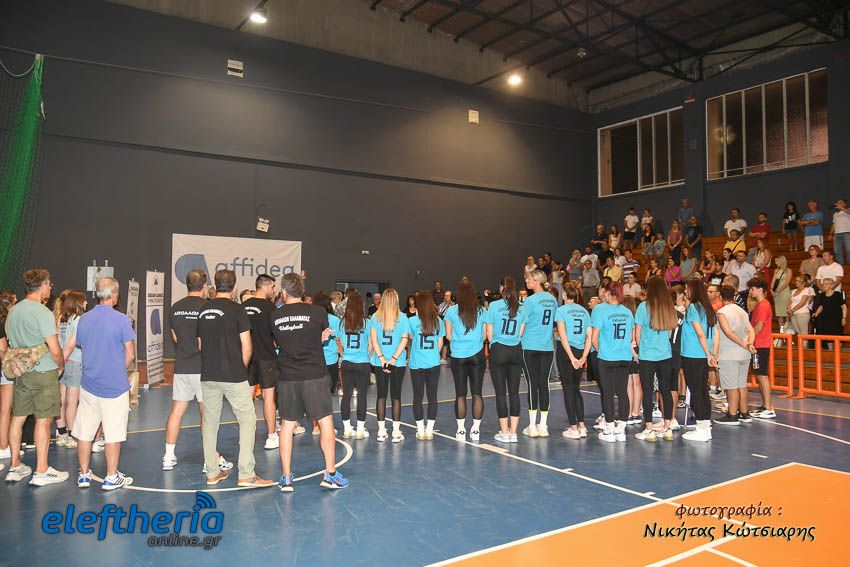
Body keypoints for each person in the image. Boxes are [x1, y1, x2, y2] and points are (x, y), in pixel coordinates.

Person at [272, 273, 348, 492]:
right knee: (325, 423)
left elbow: (278, 342)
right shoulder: (318, 312)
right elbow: (319, 336)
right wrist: (318, 338)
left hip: (288, 377)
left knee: (287, 426)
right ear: (302, 291)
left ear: (283, 292)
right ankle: (330, 474)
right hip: (315, 375)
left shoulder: (274, 316)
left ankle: (286, 478)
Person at [197, 269, 273, 488]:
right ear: (234, 286)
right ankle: (246, 474)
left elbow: (200, 344)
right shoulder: (238, 309)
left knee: (210, 423)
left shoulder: (203, 309)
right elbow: (247, 346)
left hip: (208, 374)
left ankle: (212, 473)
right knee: (247, 420)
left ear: (215, 285)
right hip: (233, 374)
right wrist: (240, 368)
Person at [164, 270, 233, 473]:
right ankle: (210, 459)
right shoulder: (207, 308)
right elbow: (207, 341)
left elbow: (175, 338)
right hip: (203, 368)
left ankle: (168, 456)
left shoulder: (175, 308)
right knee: (207, 414)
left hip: (182, 367)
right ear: (204, 287)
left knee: (177, 411)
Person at [4, 270, 67, 485]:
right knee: (43, 419)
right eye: (49, 284)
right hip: (43, 372)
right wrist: (60, 366)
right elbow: (54, 349)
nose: (50, 287)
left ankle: (15, 466)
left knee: (18, 417)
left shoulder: (14, 311)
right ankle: (42, 470)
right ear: (42, 286)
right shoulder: (43, 312)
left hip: (21, 373)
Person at [73, 277, 136, 490]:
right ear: (114, 295)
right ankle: (111, 476)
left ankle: (84, 475)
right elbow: (130, 354)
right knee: (113, 434)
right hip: (114, 387)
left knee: (85, 432)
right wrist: (117, 370)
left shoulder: (84, 319)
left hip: (89, 384)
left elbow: (82, 345)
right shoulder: (122, 320)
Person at [244, 274, 290, 450]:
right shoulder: (270, 308)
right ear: (265, 286)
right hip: (266, 357)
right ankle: (271, 436)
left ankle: (245, 437)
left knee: (247, 397)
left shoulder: (243, 306)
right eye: (272, 287)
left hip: (248, 358)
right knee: (268, 396)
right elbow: (277, 335)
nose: (274, 290)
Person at [634, 276, 678, 441]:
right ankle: (667, 427)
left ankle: (649, 428)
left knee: (648, 392)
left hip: (647, 355)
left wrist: (641, 349)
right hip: (665, 354)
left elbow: (638, 335)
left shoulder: (643, 307)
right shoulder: (669, 307)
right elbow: (670, 333)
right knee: (666, 390)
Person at [590, 281, 635, 442]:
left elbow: (594, 338)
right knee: (622, 392)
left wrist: (601, 351)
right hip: (624, 356)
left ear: (609, 293)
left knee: (608, 393)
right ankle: (621, 430)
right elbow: (631, 337)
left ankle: (609, 430)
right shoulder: (627, 312)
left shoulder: (600, 310)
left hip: (607, 357)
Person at [444, 280, 486, 441]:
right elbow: (484, 335)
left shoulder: (451, 311)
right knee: (477, 393)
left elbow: (448, 336)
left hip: (458, 356)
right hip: (477, 355)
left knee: (460, 394)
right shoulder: (481, 310)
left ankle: (461, 430)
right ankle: (475, 430)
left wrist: (460, 341)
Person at [519, 269, 558, 438]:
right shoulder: (552, 299)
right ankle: (543, 426)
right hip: (547, 347)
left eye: (528, 279)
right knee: (543, 384)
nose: (526, 282)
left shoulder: (530, 301)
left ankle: (532, 426)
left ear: (536, 280)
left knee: (532, 385)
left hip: (529, 346)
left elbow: (521, 323)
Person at [486, 276, 524, 443]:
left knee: (501, 393)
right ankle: (513, 432)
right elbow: (521, 332)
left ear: (502, 288)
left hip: (499, 349)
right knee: (514, 392)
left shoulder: (494, 306)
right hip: (516, 350)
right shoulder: (521, 307)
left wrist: (494, 344)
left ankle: (504, 432)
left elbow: (489, 332)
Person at [368, 288, 409, 443]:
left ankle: (381, 431)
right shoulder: (403, 317)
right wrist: (393, 359)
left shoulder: (375, 317)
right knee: (396, 396)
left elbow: (374, 340)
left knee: (381, 395)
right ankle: (396, 432)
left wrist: (382, 358)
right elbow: (404, 340)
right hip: (397, 362)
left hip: (379, 362)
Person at [680, 280, 718, 442]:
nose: (685, 292)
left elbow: (700, 333)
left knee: (696, 391)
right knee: (702, 391)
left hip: (693, 354)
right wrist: (712, 353)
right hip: (702, 354)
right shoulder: (708, 308)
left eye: (687, 289)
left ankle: (702, 428)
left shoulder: (693, 308)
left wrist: (709, 354)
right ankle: (705, 427)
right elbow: (715, 334)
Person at [713, 285, 756, 426]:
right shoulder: (742, 311)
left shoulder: (722, 312)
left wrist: (744, 343)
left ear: (720, 297)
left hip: (729, 353)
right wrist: (749, 343)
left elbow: (728, 333)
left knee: (731, 386)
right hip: (744, 354)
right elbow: (751, 330)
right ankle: (744, 412)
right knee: (741, 384)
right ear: (734, 295)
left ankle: (732, 414)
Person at [408, 291, 445, 440]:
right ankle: (429, 430)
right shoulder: (438, 321)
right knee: (432, 397)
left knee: (417, 397)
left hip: (416, 364)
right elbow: (440, 343)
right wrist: (433, 354)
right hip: (433, 363)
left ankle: (420, 430)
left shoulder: (412, 321)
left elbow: (410, 337)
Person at [555, 286, 590, 440]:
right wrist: (583, 357)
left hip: (566, 352)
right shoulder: (584, 311)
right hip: (580, 351)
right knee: (576, 389)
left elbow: (563, 337)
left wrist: (571, 357)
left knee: (568, 389)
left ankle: (573, 428)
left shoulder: (561, 311)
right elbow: (589, 336)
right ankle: (582, 426)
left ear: (564, 295)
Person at [337, 290, 371, 440]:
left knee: (346, 395)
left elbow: (338, 341)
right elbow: (371, 343)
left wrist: (343, 354)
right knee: (362, 396)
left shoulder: (342, 322)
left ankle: (346, 429)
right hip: (363, 362)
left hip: (347, 362)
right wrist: (367, 354)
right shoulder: (366, 322)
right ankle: (360, 430)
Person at [56, 290, 86, 450]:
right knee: (72, 402)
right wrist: (63, 362)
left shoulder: (62, 318)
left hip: (63, 361)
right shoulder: (78, 320)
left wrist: (59, 362)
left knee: (62, 400)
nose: (86, 303)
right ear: (77, 303)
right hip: (73, 362)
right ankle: (72, 435)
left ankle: (61, 433)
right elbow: (70, 345)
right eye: (84, 300)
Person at [747, 278, 776, 420]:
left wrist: (749, 341)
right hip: (758, 344)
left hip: (760, 345)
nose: (750, 291)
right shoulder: (759, 305)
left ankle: (769, 408)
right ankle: (765, 406)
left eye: (752, 288)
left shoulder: (764, 305)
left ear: (760, 289)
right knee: (759, 375)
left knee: (762, 376)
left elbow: (759, 326)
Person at [0, 290, 18, 464]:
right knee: (6, 409)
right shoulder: (5, 321)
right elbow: (2, 349)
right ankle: (3, 446)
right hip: (4, 370)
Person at [771, 256, 792, 328]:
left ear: (782, 261)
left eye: (777, 261)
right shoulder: (776, 270)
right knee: (779, 314)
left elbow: (787, 282)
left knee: (786, 314)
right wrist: (771, 289)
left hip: (785, 293)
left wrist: (778, 291)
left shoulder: (788, 270)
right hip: (777, 294)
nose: (776, 263)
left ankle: (787, 331)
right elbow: (773, 281)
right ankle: (782, 331)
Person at [830, 198, 850, 266]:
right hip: (837, 234)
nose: (838, 204)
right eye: (838, 203)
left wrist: (841, 208)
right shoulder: (835, 214)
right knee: (837, 251)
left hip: (847, 233)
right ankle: (840, 265)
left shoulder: (848, 210)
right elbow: (833, 224)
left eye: (840, 202)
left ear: (845, 204)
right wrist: (830, 234)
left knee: (849, 250)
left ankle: (849, 265)